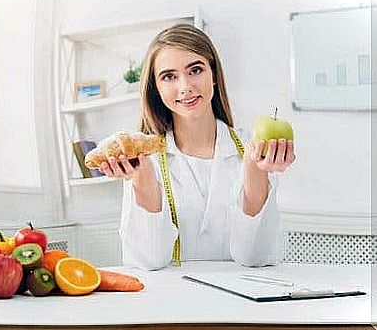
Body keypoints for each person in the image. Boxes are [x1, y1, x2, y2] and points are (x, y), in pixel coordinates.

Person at [98, 24, 296, 270]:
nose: (185, 86)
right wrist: (144, 180)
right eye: (169, 76)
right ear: (156, 89)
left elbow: (255, 257)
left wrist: (255, 172)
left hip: (243, 305)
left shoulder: (253, 151)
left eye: (195, 70)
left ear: (213, 74)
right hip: (173, 303)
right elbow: (147, 261)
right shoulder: (144, 161)